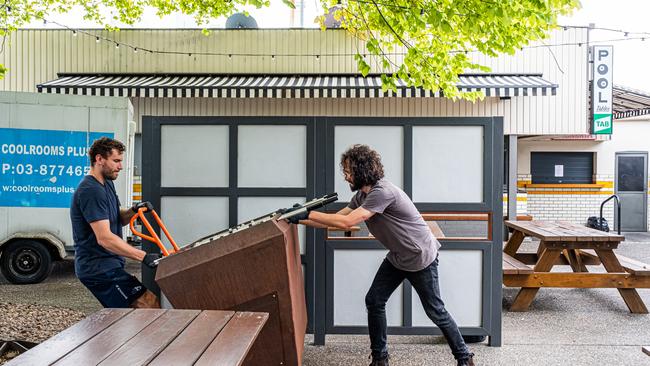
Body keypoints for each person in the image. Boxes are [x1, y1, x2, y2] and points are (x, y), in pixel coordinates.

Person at [285, 144, 475, 366]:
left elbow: (348, 222)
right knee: (374, 300)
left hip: (420, 256)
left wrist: (308, 212)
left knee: (436, 311)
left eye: (348, 171)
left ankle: (465, 358)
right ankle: (380, 359)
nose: (346, 176)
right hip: (398, 256)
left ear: (362, 170)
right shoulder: (362, 196)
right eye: (345, 171)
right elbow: (337, 219)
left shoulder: (382, 192)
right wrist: (299, 218)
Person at [70, 137, 161, 308]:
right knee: (148, 303)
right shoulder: (91, 190)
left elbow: (117, 217)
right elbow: (104, 238)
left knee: (125, 315)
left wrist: (134, 210)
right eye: (116, 161)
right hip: (98, 269)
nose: (120, 166)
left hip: (108, 265)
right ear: (99, 159)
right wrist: (144, 256)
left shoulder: (106, 184)